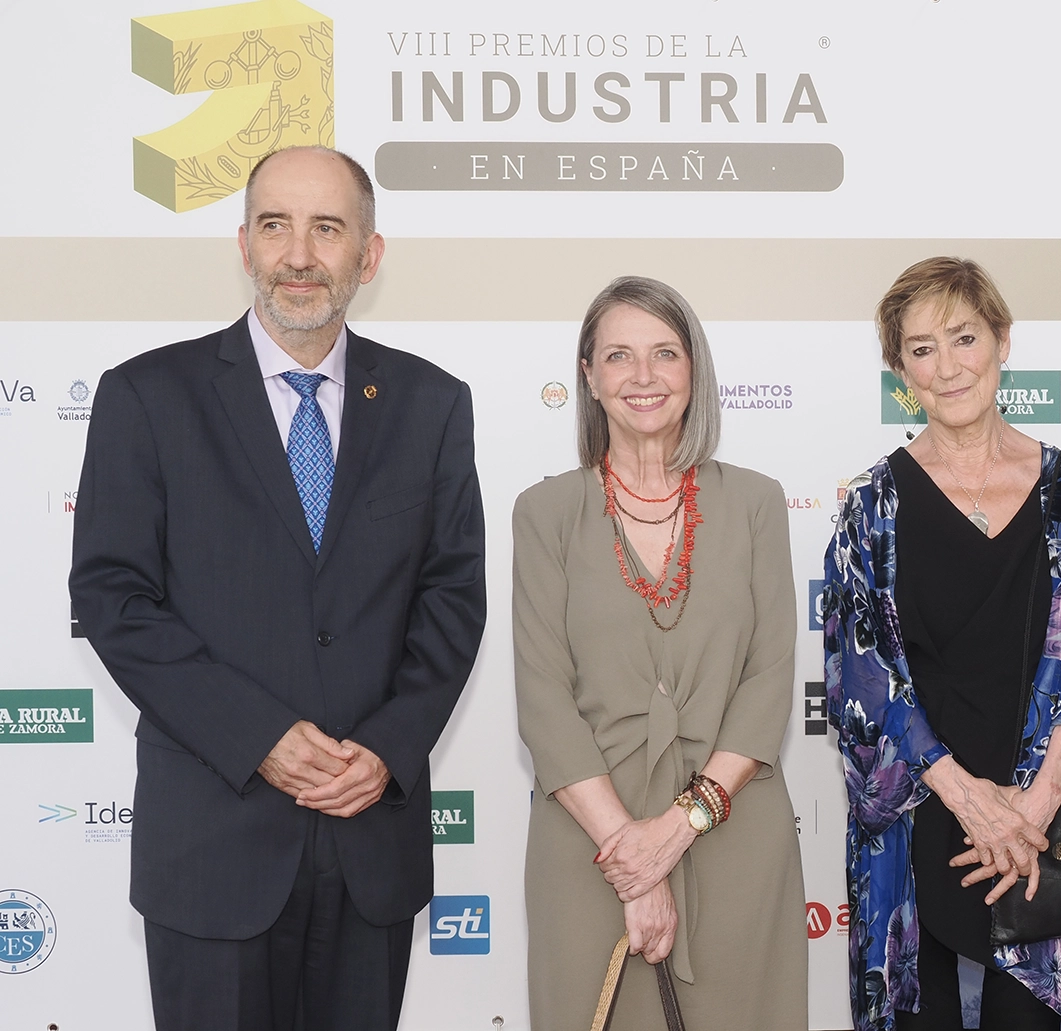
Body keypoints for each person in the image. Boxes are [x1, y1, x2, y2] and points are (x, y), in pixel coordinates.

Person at [69, 146, 486, 1031]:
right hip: (213, 848)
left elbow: (452, 597)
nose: (299, 253)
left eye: (326, 228)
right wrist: (257, 737)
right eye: (275, 225)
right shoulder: (146, 397)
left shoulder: (432, 404)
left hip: (371, 839)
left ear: (368, 256)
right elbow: (113, 595)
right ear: (244, 245)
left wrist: (385, 746)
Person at [824, 257, 1061, 1031]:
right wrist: (968, 800)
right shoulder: (869, 507)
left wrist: (1036, 803)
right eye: (922, 349)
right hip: (922, 820)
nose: (947, 366)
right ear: (899, 370)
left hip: (1038, 824)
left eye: (964, 337)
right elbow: (862, 684)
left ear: (1002, 340)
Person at [512, 276, 807, 1029]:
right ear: (589, 374)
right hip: (589, 849)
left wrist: (678, 827)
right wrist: (631, 859)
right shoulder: (544, 512)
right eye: (619, 355)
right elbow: (544, 699)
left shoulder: (756, 501)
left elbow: (771, 678)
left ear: (694, 370)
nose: (643, 376)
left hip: (734, 831)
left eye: (664, 353)